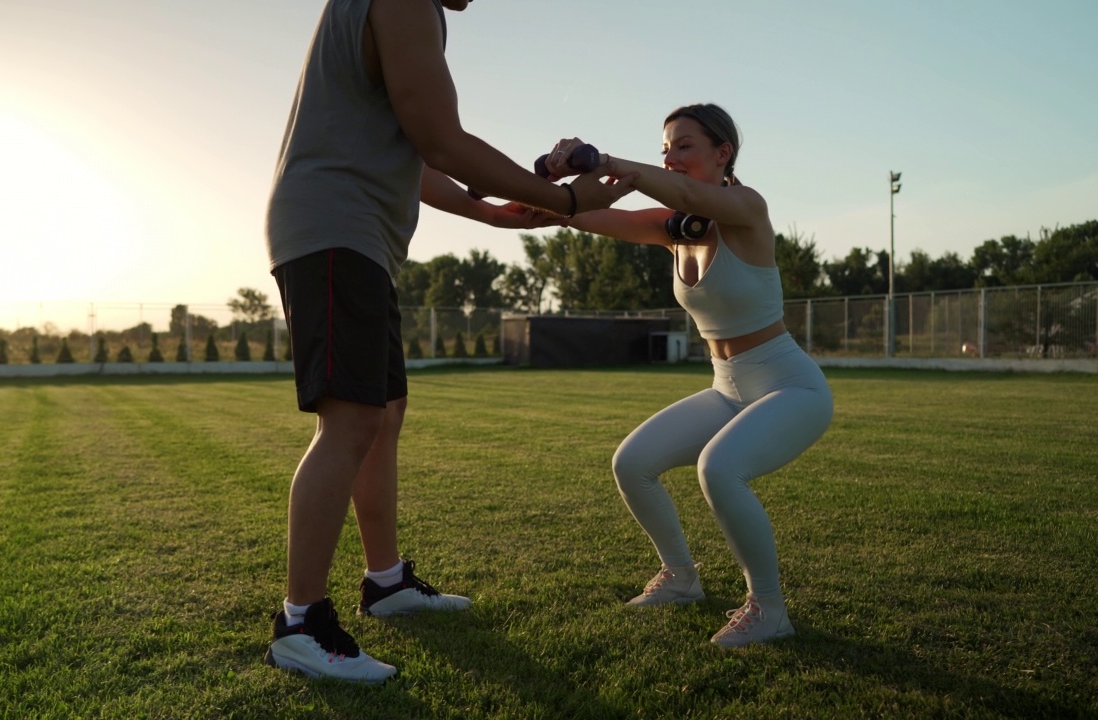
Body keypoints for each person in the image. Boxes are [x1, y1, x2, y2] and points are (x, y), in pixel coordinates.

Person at [262, 0, 636, 683]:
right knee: (349, 420)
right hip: (335, 228)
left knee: (381, 415)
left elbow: (415, 153)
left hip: (355, 234)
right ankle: (300, 622)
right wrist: (569, 202)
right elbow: (441, 139)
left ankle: (386, 582)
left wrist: (495, 212)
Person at [544, 103, 834, 648]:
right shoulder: (676, 229)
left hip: (790, 387)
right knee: (632, 463)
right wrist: (556, 181)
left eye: (684, 146)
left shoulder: (747, 207)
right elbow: (578, 215)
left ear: (722, 154)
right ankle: (680, 579)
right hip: (729, 387)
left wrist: (604, 159)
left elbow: (690, 195)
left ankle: (769, 608)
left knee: (718, 469)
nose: (671, 159)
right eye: (664, 150)